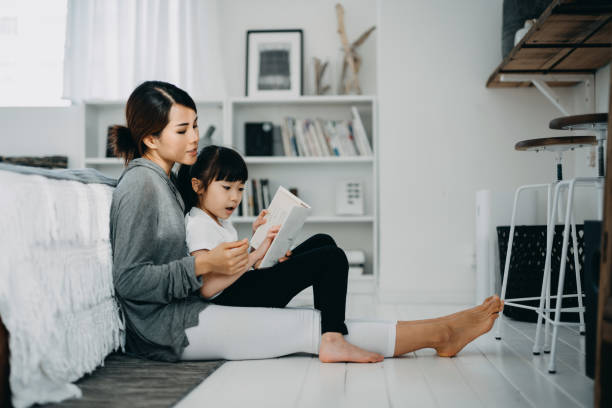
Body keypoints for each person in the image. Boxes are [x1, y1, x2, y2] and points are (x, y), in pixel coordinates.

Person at [109, 80, 503, 364]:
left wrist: (252, 249)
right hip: (169, 328)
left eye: (195, 124)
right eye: (183, 129)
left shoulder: (164, 181)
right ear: (151, 140)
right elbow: (129, 281)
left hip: (189, 306)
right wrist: (204, 265)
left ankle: (437, 333)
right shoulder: (143, 185)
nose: (195, 136)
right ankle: (440, 332)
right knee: (308, 323)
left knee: (321, 277)